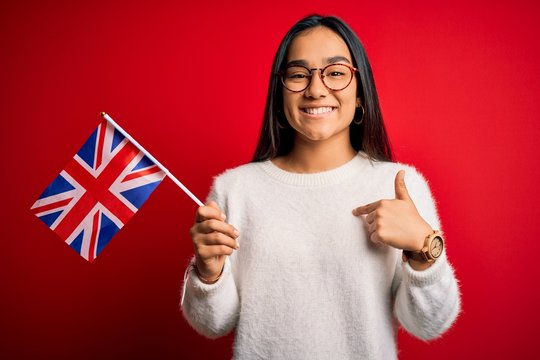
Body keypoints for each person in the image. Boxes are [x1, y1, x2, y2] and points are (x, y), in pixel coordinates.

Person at [181, 14, 460, 360]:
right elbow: (213, 324)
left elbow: (427, 324)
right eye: (298, 75)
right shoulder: (234, 190)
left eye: (336, 72)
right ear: (280, 95)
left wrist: (423, 250)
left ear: (361, 94)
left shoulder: (397, 185)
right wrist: (208, 273)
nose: (315, 89)